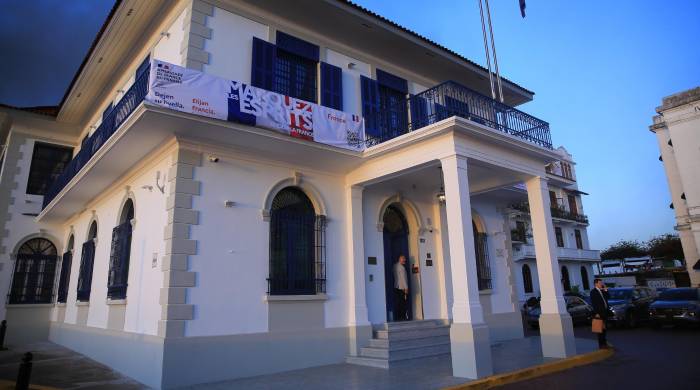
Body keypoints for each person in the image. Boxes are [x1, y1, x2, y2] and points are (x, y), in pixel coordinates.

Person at [590, 278, 610, 349]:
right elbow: (594, 303)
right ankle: (601, 344)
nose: (601, 284)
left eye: (601, 283)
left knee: (604, 328)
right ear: (596, 284)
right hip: (599, 313)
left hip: (605, 312)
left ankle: (604, 343)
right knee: (600, 329)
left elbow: (608, 297)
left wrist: (605, 290)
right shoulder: (593, 292)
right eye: (600, 283)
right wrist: (596, 313)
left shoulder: (602, 291)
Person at [393, 255, 409, 321]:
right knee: (402, 303)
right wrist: (406, 288)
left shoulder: (395, 266)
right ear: (400, 259)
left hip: (396, 286)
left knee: (398, 302)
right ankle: (403, 317)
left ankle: (397, 316)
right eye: (403, 259)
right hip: (402, 287)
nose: (405, 260)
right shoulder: (402, 268)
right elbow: (403, 279)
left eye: (404, 259)